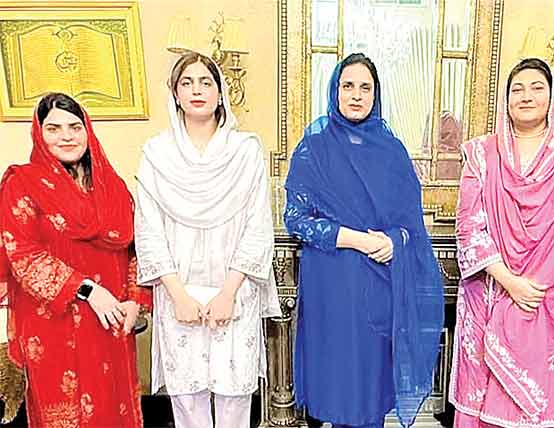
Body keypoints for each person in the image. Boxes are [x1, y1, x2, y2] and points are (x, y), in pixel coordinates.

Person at [284, 52, 444, 428]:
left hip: (379, 283)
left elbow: (410, 226)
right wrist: (354, 239)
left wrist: (395, 241)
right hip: (332, 285)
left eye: (365, 87)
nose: (356, 95)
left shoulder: (392, 152)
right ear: (335, 91)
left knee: (370, 393)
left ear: (376, 94)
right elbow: (296, 219)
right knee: (338, 387)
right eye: (348, 86)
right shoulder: (314, 148)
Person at [449, 58, 554, 428]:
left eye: (537, 87)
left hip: (544, 300)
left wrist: (531, 287)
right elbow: (469, 226)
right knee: (480, 400)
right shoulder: (481, 154)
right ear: (505, 100)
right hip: (489, 292)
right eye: (517, 89)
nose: (526, 96)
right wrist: (510, 282)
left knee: (531, 409)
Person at [134, 51, 281, 428]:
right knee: (187, 401)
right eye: (187, 83)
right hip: (178, 294)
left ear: (220, 92)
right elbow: (148, 230)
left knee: (234, 399)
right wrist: (178, 295)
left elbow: (257, 225)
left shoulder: (245, 151)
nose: (197, 90)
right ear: (175, 93)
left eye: (206, 82)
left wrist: (228, 293)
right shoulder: (156, 154)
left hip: (235, 292)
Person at [0, 92, 149, 427]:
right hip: (55, 324)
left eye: (74, 127)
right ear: (39, 134)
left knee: (114, 410)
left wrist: (134, 301)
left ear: (87, 130)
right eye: (53, 129)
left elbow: (135, 249)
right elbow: (22, 254)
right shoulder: (22, 184)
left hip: (111, 322)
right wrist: (89, 290)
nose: (66, 136)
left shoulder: (113, 188)